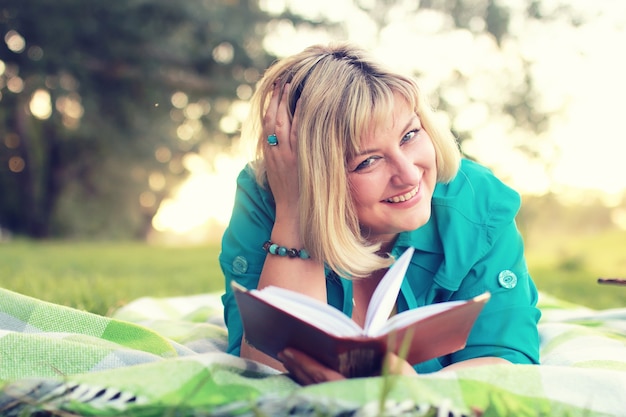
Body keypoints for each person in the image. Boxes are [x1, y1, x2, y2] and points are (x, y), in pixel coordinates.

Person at [219, 43, 541, 385]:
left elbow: (505, 359)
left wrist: (408, 388)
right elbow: (266, 371)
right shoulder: (266, 199)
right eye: (367, 161)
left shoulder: (478, 200)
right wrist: (296, 211)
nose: (409, 173)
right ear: (314, 176)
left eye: (410, 135)